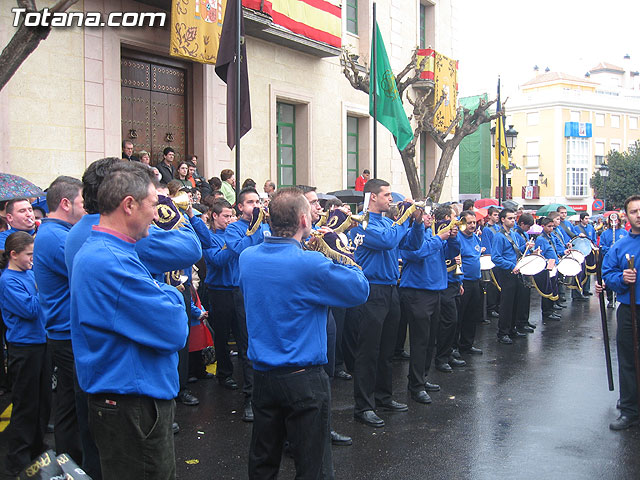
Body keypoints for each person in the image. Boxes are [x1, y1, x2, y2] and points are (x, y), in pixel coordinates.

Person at [239, 187, 369, 479]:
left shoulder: (247, 257)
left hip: (263, 376)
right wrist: (336, 252)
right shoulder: (310, 263)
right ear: (303, 220)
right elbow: (360, 289)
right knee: (314, 466)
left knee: (263, 460)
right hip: (303, 378)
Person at [70, 162, 188, 479]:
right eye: (154, 204)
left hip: (130, 402)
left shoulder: (113, 251)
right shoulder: (109, 260)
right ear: (129, 205)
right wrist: (172, 293)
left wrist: (163, 291)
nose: (157, 213)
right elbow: (175, 328)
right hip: (133, 407)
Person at [350, 179, 424, 427]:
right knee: (368, 350)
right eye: (387, 195)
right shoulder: (362, 222)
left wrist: (416, 222)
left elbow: (412, 245)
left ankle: (383, 396)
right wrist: (403, 219)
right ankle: (363, 406)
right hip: (371, 289)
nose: (391, 199)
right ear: (372, 196)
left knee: (387, 349)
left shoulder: (390, 223)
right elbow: (386, 242)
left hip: (392, 288)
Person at [32, 176, 85, 465]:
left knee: (68, 406)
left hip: (61, 332)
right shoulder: (57, 237)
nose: (86, 207)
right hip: (66, 333)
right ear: (65, 203)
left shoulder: (56, 233)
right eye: (81, 201)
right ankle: (75, 461)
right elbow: (86, 271)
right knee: (77, 405)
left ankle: (69, 461)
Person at [0, 232, 50, 476]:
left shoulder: (28, 274)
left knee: (42, 402)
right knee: (26, 405)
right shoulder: (8, 280)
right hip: (24, 348)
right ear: (13, 255)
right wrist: (43, 287)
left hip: (40, 344)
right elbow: (30, 309)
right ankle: (17, 459)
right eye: (29, 255)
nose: (33, 259)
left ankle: (37, 449)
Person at [400, 209, 454, 405]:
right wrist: (440, 238)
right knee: (420, 341)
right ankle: (416, 386)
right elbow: (417, 253)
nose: (430, 217)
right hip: (417, 292)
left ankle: (422, 377)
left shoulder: (433, 235)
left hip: (435, 290)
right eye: (425, 214)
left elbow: (452, 254)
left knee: (431, 339)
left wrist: (453, 238)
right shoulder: (409, 236)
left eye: (430, 214)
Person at [224, 187, 270, 421]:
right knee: (247, 344)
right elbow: (241, 250)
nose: (256, 205)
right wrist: (254, 228)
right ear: (240, 207)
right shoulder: (233, 228)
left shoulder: (267, 226)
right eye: (251, 202)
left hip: (266, 289)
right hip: (242, 291)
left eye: (258, 201)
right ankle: (251, 398)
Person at [602, 195, 640, 430]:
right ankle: (629, 409)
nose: (639, 215)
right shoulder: (620, 246)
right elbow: (607, 272)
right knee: (628, 360)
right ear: (626, 216)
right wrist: (621, 279)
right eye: (634, 211)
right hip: (630, 310)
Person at [204, 199, 240, 391]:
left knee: (242, 333)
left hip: (237, 289)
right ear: (214, 216)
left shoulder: (233, 234)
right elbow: (217, 260)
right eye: (226, 216)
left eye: (231, 215)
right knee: (222, 335)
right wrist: (233, 244)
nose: (229, 219)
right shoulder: (210, 237)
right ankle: (224, 374)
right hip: (219, 291)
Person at [491, 208, 533, 345]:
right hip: (507, 272)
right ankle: (503, 332)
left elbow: (518, 250)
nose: (513, 221)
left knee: (516, 302)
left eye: (514, 218)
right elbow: (496, 257)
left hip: (517, 271)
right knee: (507, 304)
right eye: (510, 218)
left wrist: (527, 246)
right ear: (502, 220)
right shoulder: (499, 236)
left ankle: (512, 329)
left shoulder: (514, 234)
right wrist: (510, 266)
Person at [456, 210, 485, 355]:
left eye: (474, 222)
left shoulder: (475, 238)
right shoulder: (457, 238)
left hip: (475, 281)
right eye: (469, 223)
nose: (472, 225)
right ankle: (453, 347)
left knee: (471, 315)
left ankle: (467, 344)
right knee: (459, 316)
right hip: (463, 282)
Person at [534, 217, 562, 320]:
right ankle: (547, 312)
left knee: (553, 287)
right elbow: (541, 254)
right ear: (543, 226)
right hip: (547, 267)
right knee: (547, 290)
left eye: (552, 226)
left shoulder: (550, 236)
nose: (551, 228)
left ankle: (551, 309)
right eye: (549, 226)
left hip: (553, 265)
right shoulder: (541, 239)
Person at [600, 212, 628, 308]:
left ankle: (620, 297)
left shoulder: (624, 233)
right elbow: (601, 247)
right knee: (609, 279)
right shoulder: (605, 233)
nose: (614, 222)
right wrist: (610, 249)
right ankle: (610, 299)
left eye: (616, 220)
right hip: (610, 260)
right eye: (612, 220)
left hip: (621, 260)